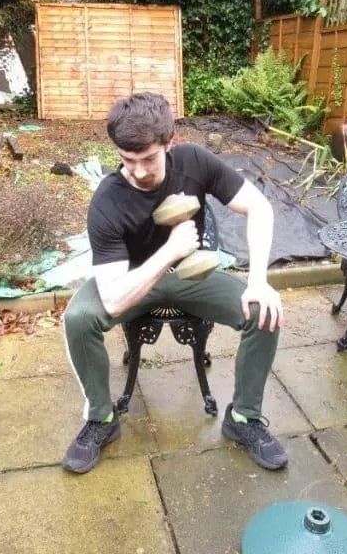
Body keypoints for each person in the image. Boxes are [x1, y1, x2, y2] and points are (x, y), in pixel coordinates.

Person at [61, 92, 287, 474]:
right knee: (79, 317)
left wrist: (259, 281)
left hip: (191, 277)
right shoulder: (108, 200)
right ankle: (101, 419)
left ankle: (244, 418)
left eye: (147, 158)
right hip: (132, 282)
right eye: (126, 159)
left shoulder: (194, 162)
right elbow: (114, 301)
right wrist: (169, 250)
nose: (136, 170)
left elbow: (259, 208)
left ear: (170, 144)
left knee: (263, 311)